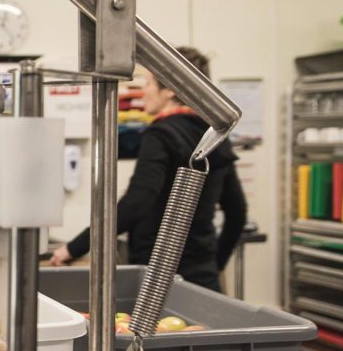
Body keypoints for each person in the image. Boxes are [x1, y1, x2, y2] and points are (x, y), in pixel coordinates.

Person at [49, 47, 247, 292]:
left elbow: (136, 202)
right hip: (203, 275)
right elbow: (238, 213)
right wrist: (214, 264)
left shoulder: (161, 134)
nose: (143, 91)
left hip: (157, 277)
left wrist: (73, 248)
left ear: (171, 89)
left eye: (148, 83)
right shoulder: (216, 137)